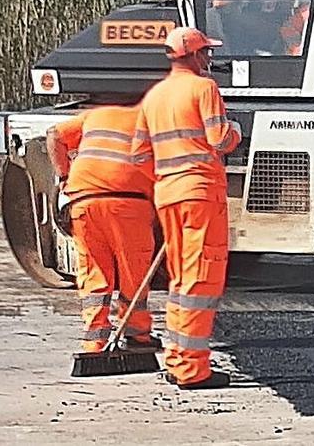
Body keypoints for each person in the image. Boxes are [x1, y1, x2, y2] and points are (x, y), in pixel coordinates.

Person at [131, 27, 241, 390]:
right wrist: (237, 131)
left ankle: (179, 360)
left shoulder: (153, 96)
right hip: (200, 195)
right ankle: (193, 370)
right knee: (200, 281)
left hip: (169, 195)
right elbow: (220, 139)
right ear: (194, 56)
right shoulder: (204, 89)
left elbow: (139, 156)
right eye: (206, 53)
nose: (209, 59)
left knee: (181, 281)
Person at [46, 104, 159, 353]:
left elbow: (54, 135)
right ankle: (137, 336)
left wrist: (64, 176)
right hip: (129, 202)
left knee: (93, 270)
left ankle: (94, 340)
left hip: (84, 202)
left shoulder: (94, 116)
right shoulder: (152, 121)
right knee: (134, 272)